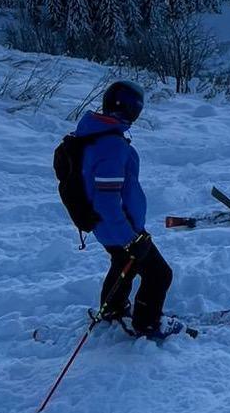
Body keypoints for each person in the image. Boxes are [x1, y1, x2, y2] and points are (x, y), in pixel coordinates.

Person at [75, 80, 179, 340]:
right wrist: (130, 239)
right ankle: (147, 324)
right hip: (121, 228)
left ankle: (113, 308)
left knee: (124, 264)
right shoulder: (111, 145)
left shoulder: (96, 134)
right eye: (135, 109)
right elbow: (107, 202)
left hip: (110, 227)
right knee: (159, 274)